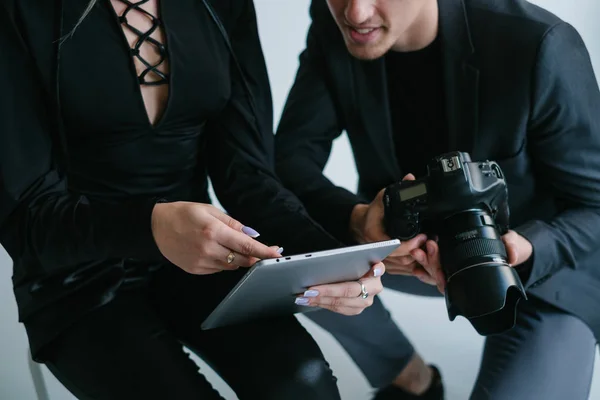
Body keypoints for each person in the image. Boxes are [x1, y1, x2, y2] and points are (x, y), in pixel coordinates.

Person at [0, 0, 387, 399]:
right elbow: (25, 215)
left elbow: (248, 175)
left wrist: (334, 259)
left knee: (303, 383)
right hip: (71, 275)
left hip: (202, 256)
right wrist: (150, 227)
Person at [274, 0, 600, 399]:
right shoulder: (338, 23)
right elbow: (289, 161)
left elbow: (595, 204)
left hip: (544, 273)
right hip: (402, 251)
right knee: (280, 244)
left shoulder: (539, 43)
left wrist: (524, 248)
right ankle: (410, 379)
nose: (355, 13)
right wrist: (359, 220)